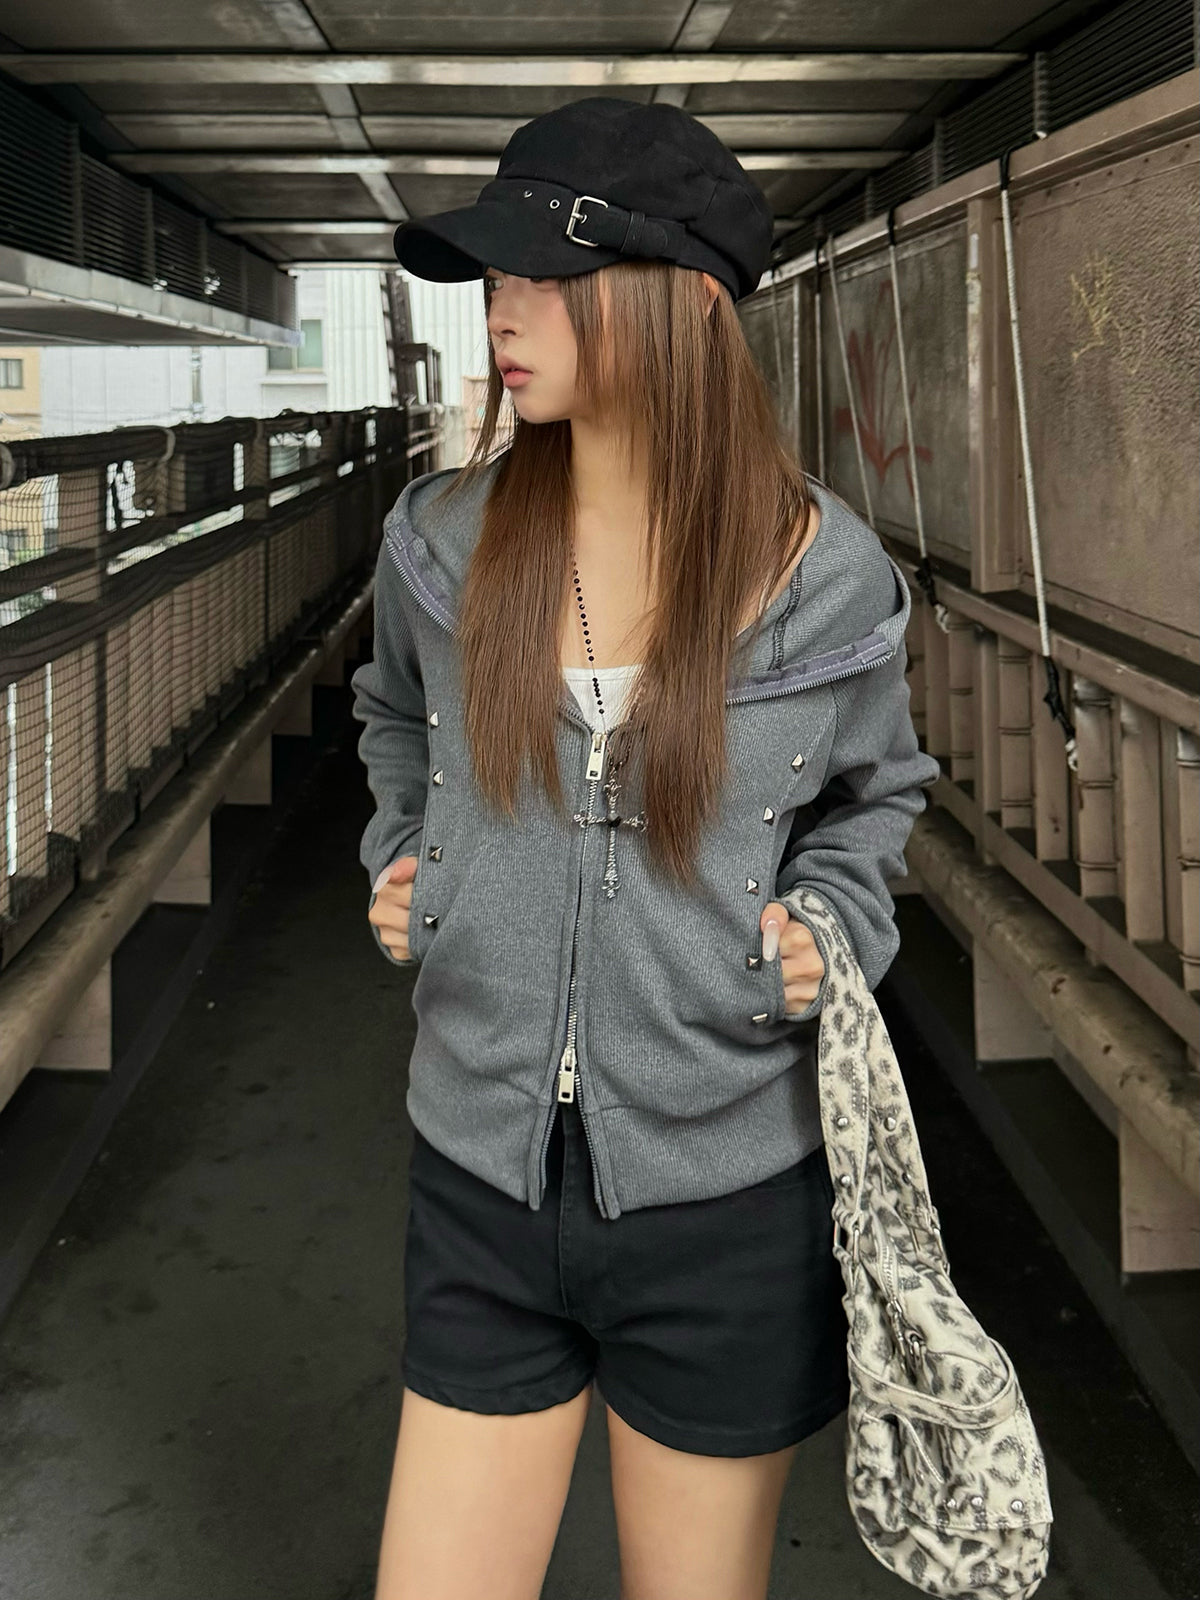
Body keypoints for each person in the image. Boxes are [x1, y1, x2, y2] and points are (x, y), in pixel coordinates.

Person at [350, 96, 940, 1600]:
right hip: (479, 1178)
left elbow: (879, 794)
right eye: (493, 278)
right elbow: (394, 716)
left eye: (541, 275)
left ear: (676, 302)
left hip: (726, 1196)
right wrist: (411, 854)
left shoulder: (823, 575)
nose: (502, 310)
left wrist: (828, 923)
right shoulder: (441, 541)